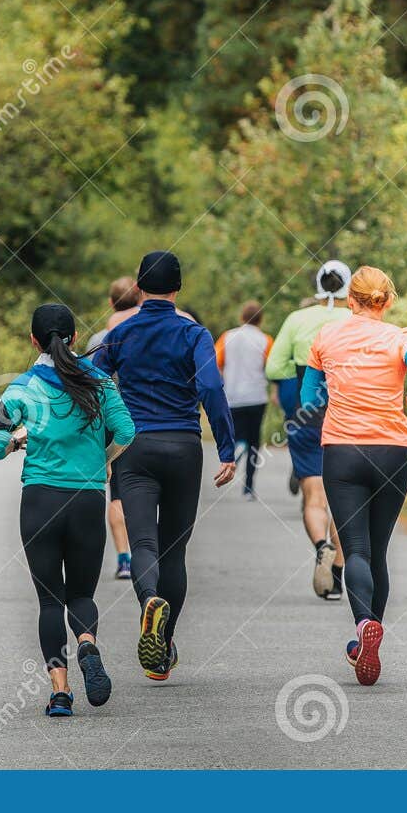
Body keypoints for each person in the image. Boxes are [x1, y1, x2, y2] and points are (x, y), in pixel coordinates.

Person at [0, 303, 135, 717]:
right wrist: (102, 461)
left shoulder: (21, 389)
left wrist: (19, 440)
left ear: (33, 340)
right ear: (72, 338)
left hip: (40, 499)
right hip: (87, 498)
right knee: (82, 594)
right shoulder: (101, 383)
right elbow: (126, 430)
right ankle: (88, 644)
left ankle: (60, 693)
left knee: (50, 602)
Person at [92, 250, 237, 681]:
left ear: (138, 287)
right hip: (183, 447)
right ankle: (162, 648)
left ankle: (148, 601)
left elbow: (95, 381)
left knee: (143, 545)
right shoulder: (194, 334)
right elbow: (211, 386)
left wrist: (97, 442)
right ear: (178, 288)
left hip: (133, 448)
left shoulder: (121, 331)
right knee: (175, 551)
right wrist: (227, 448)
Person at [302, 266, 407, 686]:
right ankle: (369, 635)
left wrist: (338, 405)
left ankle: (363, 631)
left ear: (350, 301)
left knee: (355, 549)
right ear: (387, 301)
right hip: (392, 451)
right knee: (379, 550)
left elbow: (308, 398)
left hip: (342, 450)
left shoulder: (326, 336)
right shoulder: (401, 337)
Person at [266, 261, 353, 599]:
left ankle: (321, 545)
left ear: (317, 286)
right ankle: (338, 572)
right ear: (349, 288)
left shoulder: (297, 319)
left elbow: (275, 366)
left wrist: (297, 371)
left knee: (314, 496)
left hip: (307, 413)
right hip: (346, 417)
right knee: (344, 500)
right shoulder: (355, 321)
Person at [87, 277, 141, 580]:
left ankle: (123, 558)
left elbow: (90, 383)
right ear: (140, 301)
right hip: (140, 417)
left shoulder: (98, 339)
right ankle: (146, 550)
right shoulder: (146, 334)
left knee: (117, 493)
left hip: (108, 419)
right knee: (144, 489)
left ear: (110, 303)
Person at [215, 301, 272, 499]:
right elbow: (271, 368)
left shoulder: (227, 337)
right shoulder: (266, 340)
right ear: (261, 319)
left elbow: (216, 363)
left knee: (237, 433)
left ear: (241, 317)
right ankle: (248, 487)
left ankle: (239, 445)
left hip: (232, 396)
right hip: (257, 396)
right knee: (254, 440)